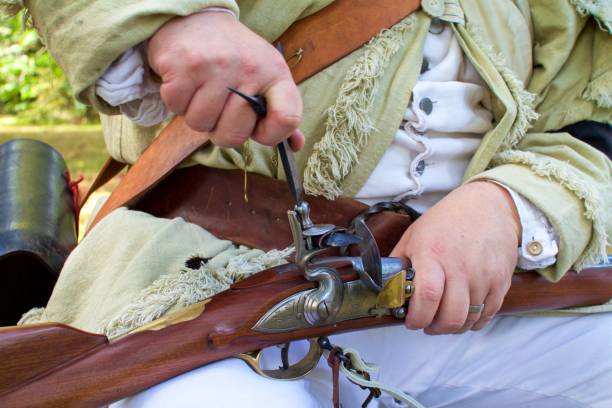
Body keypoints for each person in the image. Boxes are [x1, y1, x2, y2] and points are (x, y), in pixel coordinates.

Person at [7, 0, 612, 406]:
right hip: (204, 282)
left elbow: (592, 120)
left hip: (489, 298)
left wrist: (508, 205)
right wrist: (173, 22)